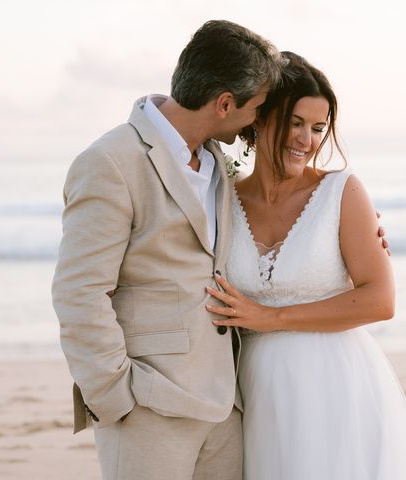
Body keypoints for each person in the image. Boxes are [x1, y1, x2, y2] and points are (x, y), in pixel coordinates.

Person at [51, 20, 282, 480]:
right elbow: (79, 292)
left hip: (223, 406)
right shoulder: (110, 161)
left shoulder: (218, 160)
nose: (257, 120)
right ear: (224, 103)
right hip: (147, 409)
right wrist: (116, 398)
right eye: (256, 108)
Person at [206, 52, 406, 479]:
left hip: (337, 385)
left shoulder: (341, 191)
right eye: (295, 122)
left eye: (317, 127)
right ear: (259, 117)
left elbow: (380, 301)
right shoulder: (221, 197)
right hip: (258, 392)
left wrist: (271, 318)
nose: (306, 140)